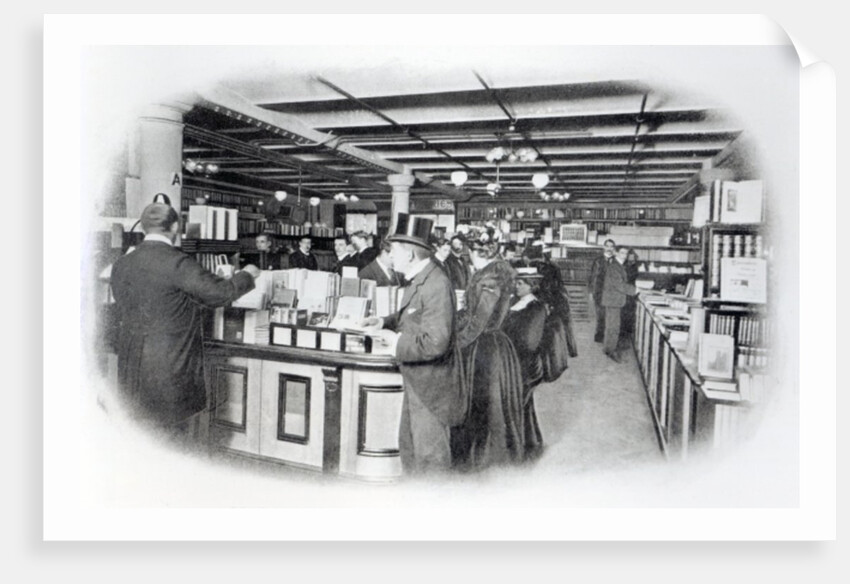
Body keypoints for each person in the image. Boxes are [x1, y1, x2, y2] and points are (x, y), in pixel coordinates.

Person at [110, 202, 260, 441]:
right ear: (176, 226)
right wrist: (247, 274)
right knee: (172, 441)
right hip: (170, 369)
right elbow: (220, 294)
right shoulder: (177, 262)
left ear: (145, 228)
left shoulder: (121, 264)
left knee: (137, 438)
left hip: (130, 370)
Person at [360, 214, 466, 475]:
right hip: (418, 381)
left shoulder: (436, 284)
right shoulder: (421, 278)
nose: (390, 255)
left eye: (393, 250)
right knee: (411, 450)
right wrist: (383, 321)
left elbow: (435, 344)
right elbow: (411, 315)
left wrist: (395, 341)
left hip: (432, 387)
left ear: (409, 254)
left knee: (430, 460)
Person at [451, 224, 526, 470]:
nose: (466, 257)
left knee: (484, 402)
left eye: (467, 251)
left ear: (475, 251)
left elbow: (478, 323)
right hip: (492, 343)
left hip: (486, 348)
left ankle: (485, 459)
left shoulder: (490, 277)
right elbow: (471, 314)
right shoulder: (494, 271)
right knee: (491, 403)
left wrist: (453, 343)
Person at [500, 272, 547, 460]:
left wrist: (507, 343)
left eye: (521, 284)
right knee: (522, 404)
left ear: (531, 285)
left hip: (526, 363)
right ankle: (530, 442)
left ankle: (518, 448)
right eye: (516, 283)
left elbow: (531, 342)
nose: (516, 286)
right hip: (514, 360)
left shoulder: (536, 307)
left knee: (517, 402)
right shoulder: (515, 302)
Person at [602, 246, 637, 363]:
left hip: (614, 300)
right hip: (613, 301)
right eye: (622, 252)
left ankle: (609, 349)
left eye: (626, 253)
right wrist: (636, 290)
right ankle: (610, 351)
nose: (624, 255)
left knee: (613, 327)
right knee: (613, 327)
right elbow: (619, 285)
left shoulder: (618, 265)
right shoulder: (614, 267)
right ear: (616, 253)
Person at [588, 238, 616, 343]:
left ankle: (608, 338)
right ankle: (599, 336)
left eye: (611, 247)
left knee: (611, 316)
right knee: (601, 315)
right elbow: (594, 277)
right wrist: (592, 292)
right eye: (607, 246)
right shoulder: (598, 261)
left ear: (614, 249)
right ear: (604, 247)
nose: (609, 249)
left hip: (612, 293)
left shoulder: (616, 261)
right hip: (599, 293)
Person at [620, 248, 640, 343]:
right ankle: (623, 333)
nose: (631, 259)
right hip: (625, 291)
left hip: (631, 292)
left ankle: (627, 333)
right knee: (623, 313)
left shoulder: (634, 267)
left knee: (629, 313)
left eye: (633, 257)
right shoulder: (624, 265)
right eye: (629, 256)